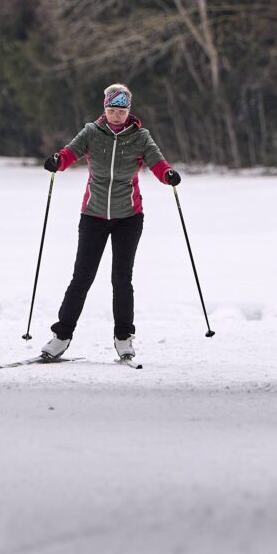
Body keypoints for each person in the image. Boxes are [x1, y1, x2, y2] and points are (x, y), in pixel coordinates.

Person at [39, 83, 179, 362]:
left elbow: (157, 162)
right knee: (82, 278)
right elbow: (70, 152)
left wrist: (168, 175)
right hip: (93, 215)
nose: (116, 116)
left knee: (122, 279)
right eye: (112, 110)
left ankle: (124, 338)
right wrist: (58, 161)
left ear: (129, 111)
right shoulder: (92, 132)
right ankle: (61, 337)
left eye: (121, 111)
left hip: (128, 217)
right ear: (105, 109)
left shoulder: (140, 136)